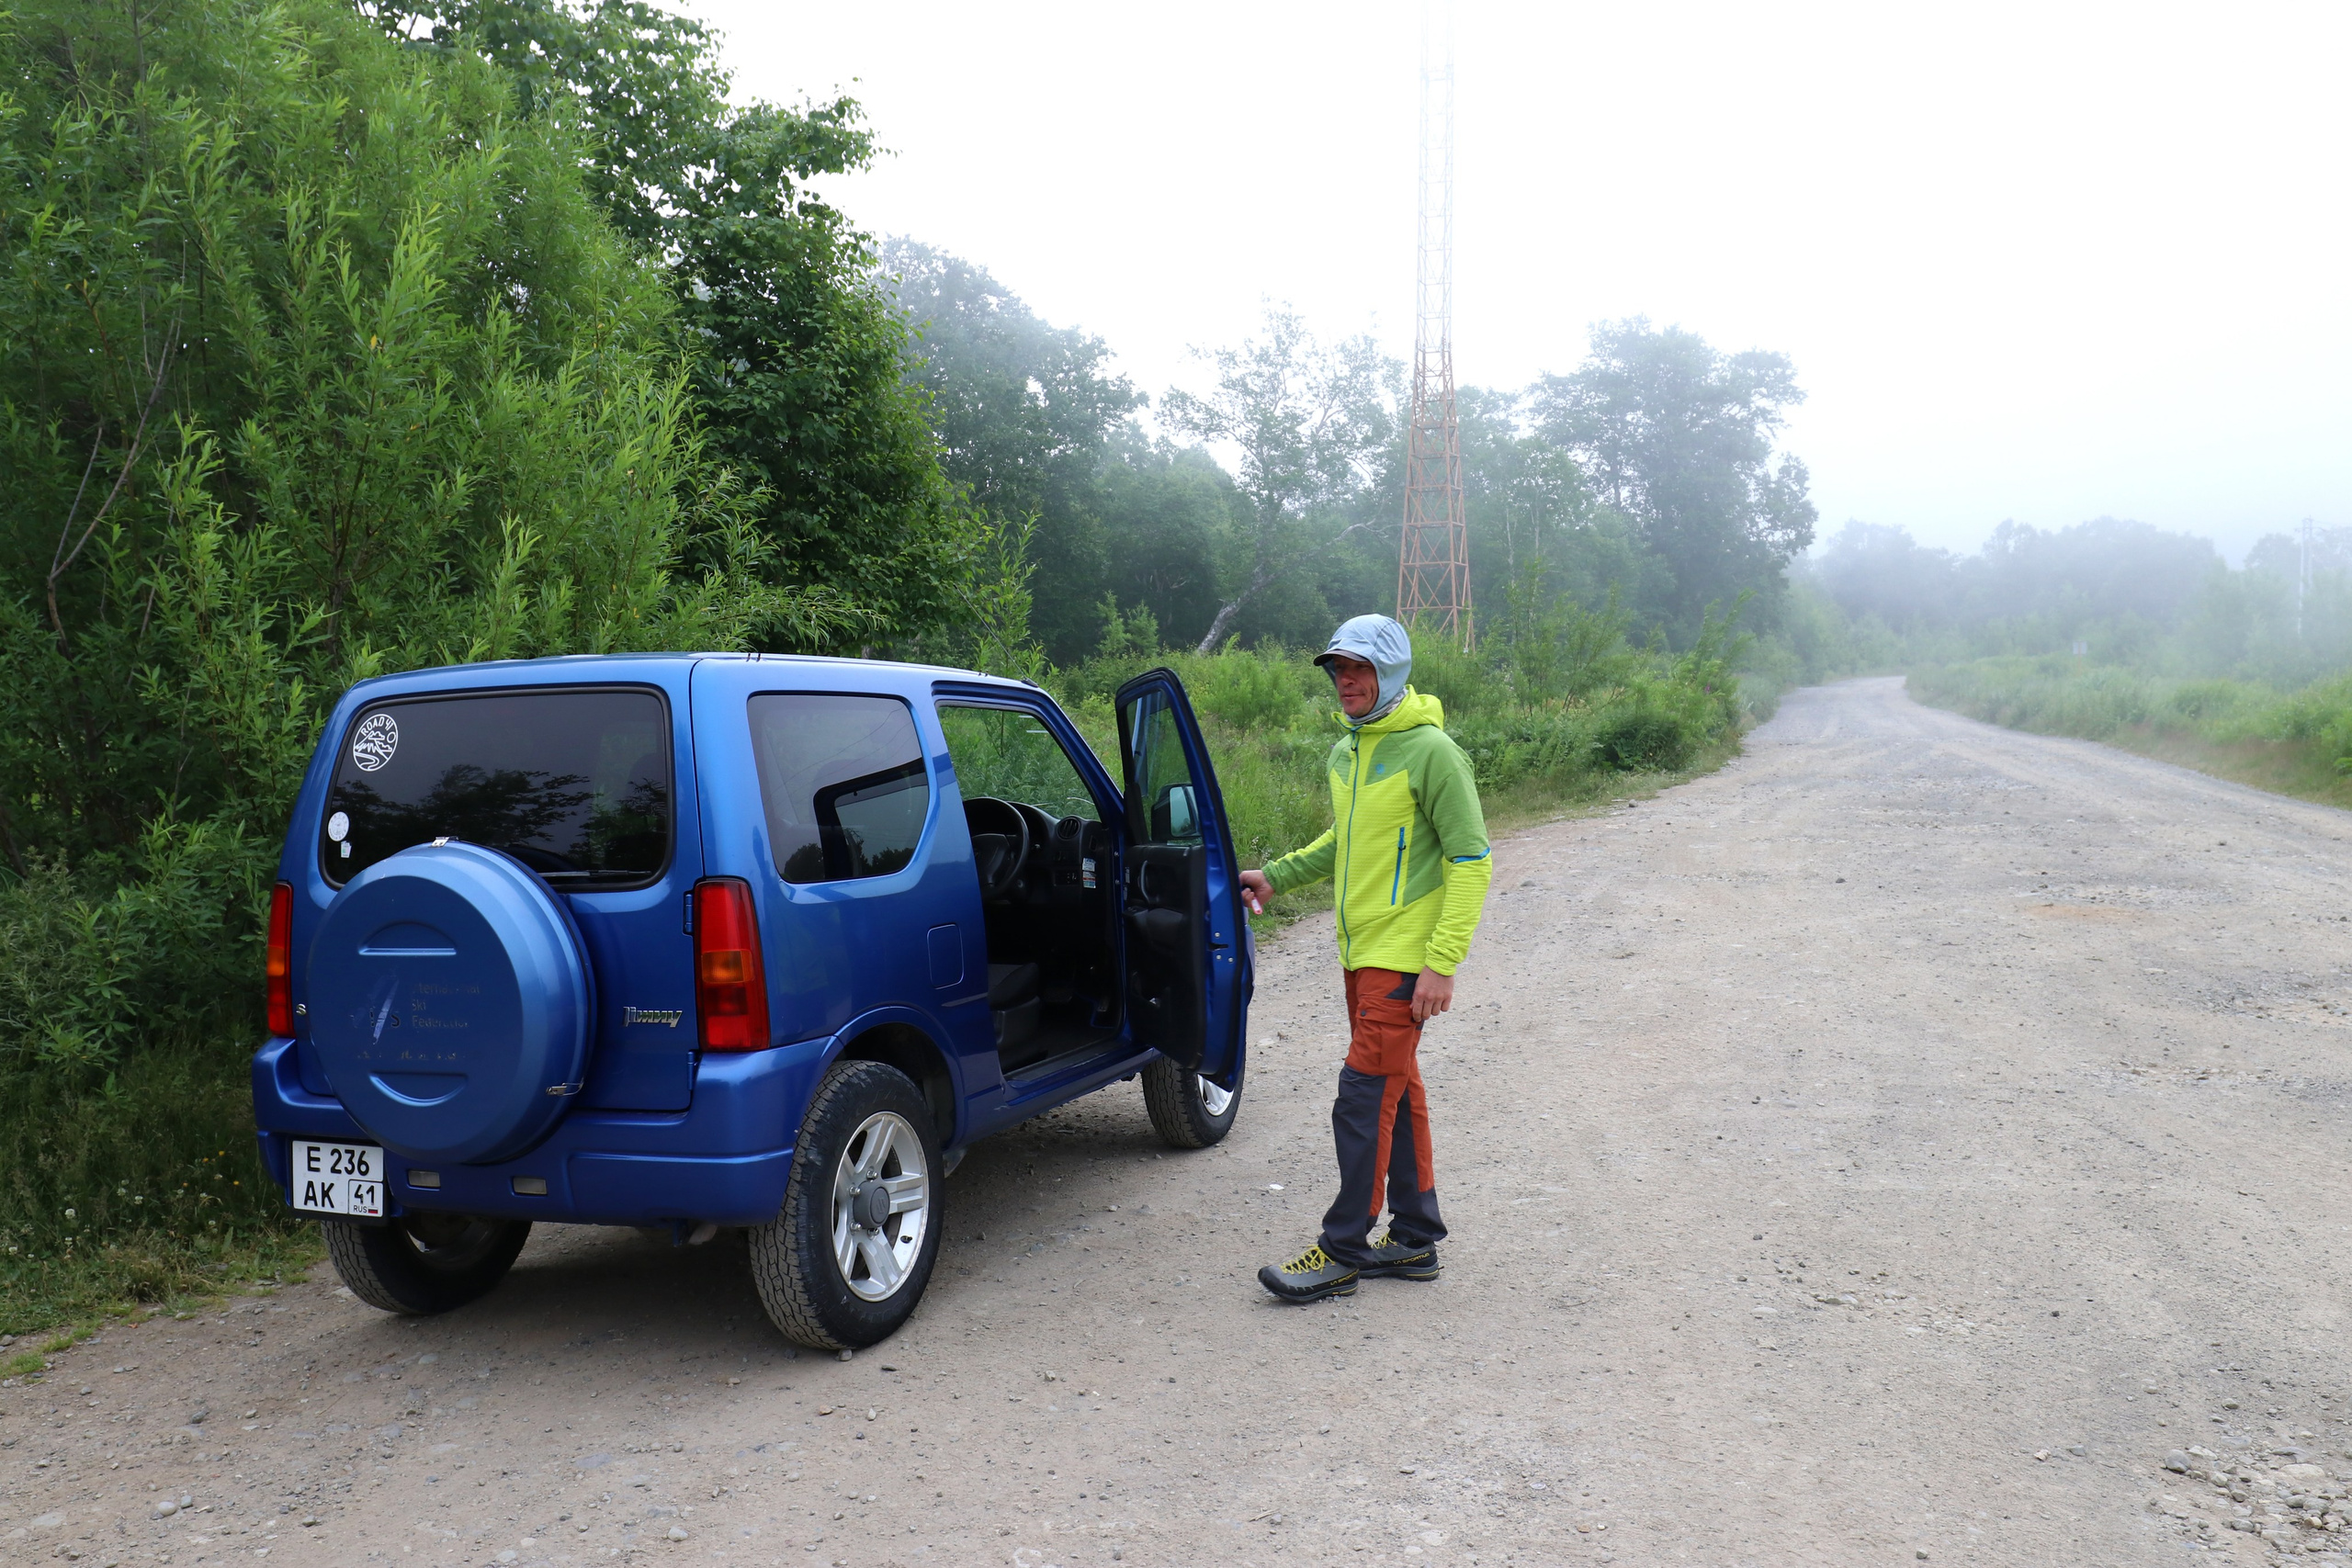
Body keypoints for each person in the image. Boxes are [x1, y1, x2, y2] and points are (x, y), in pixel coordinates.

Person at [1240, 615, 1493, 1303]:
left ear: (1392, 672)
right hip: (1360, 955)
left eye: (1359, 668)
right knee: (1396, 1089)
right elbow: (1341, 842)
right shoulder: (1347, 753)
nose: (1345, 680)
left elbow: (1472, 859)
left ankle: (1342, 1248)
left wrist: (1442, 963)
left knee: (1361, 1097)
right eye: (1337, 669)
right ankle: (1413, 1237)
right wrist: (1277, 875)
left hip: (1404, 959)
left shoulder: (1433, 753)